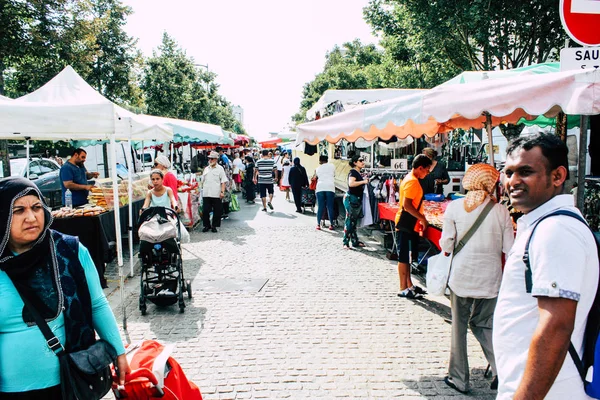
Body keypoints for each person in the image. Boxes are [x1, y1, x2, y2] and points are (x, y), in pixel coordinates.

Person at [0, 176, 130, 398]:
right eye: (19, 210)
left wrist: (118, 350)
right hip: (11, 389)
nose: (31, 217)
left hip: (71, 383)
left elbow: (97, 304)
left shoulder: (71, 251)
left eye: (36, 207)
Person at [493, 133, 599, 399]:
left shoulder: (556, 230)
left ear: (557, 176)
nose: (513, 181)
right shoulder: (543, 225)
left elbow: (556, 325)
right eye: (508, 172)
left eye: (526, 172)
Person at [439, 163, 514, 394]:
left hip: (462, 277)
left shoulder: (454, 207)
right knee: (483, 324)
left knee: (458, 329)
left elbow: (447, 244)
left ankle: (459, 379)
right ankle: (503, 370)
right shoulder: (501, 210)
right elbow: (508, 248)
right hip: (491, 279)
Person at [394, 154, 432, 298]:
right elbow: (407, 205)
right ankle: (403, 287)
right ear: (420, 168)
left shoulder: (411, 179)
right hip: (406, 223)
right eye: (427, 170)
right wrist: (422, 218)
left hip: (409, 223)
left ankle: (409, 285)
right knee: (404, 257)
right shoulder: (412, 181)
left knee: (408, 256)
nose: (427, 173)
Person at [343, 155, 368, 248]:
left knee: (353, 222)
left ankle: (354, 241)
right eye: (360, 160)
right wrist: (363, 182)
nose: (363, 162)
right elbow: (351, 183)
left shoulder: (357, 172)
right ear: (355, 163)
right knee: (349, 222)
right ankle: (345, 242)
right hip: (351, 199)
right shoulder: (353, 172)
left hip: (355, 199)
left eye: (363, 160)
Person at [201, 151, 227, 233]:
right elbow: (202, 181)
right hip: (206, 193)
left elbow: (223, 181)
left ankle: (214, 226)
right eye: (209, 159)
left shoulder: (220, 169)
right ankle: (206, 225)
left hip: (216, 193)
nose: (210, 160)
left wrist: (222, 192)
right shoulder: (206, 169)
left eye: (212, 159)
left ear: (216, 159)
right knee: (205, 211)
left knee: (217, 211)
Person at [315, 155, 336, 230]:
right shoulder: (332, 166)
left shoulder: (317, 168)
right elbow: (334, 175)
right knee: (330, 206)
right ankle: (331, 224)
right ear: (327, 160)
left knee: (320, 206)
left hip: (320, 187)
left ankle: (318, 224)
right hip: (330, 187)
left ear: (320, 161)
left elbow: (315, 177)